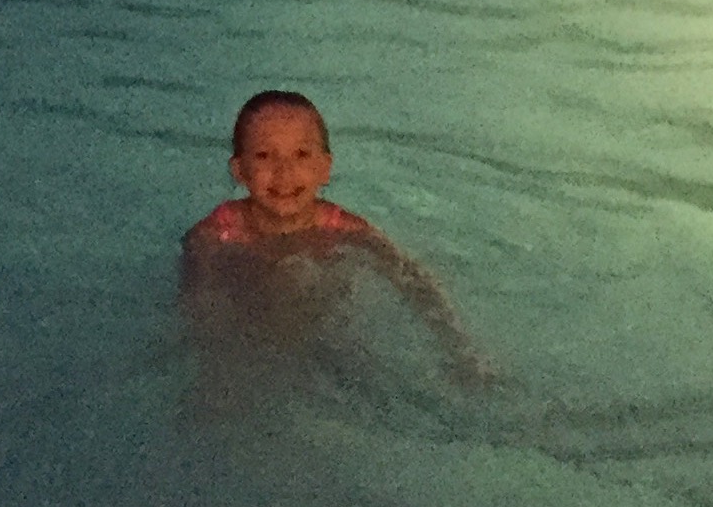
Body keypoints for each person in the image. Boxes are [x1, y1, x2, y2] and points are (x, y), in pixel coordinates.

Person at [179, 90, 493, 389]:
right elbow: (198, 304)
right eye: (264, 156)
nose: (284, 172)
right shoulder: (215, 233)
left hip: (321, 334)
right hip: (246, 335)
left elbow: (413, 280)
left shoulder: (346, 230)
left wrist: (461, 351)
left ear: (324, 168)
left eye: (301, 155)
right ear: (239, 170)